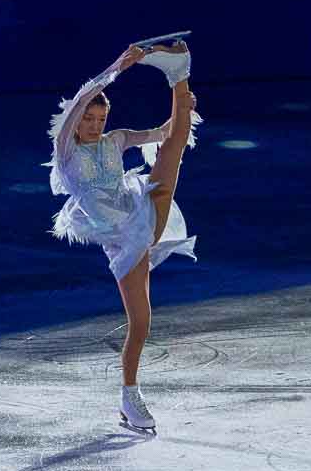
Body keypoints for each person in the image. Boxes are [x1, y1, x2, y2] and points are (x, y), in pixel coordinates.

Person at [47, 38, 199, 434]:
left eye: (100, 120)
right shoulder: (66, 152)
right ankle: (129, 395)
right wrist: (117, 67)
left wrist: (183, 113)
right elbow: (81, 98)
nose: (95, 126)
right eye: (89, 120)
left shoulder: (115, 141)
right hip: (121, 240)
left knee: (173, 148)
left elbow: (163, 133)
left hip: (140, 212)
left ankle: (179, 73)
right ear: (77, 122)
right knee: (141, 321)